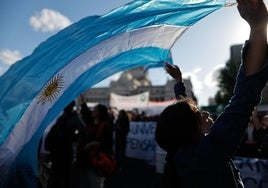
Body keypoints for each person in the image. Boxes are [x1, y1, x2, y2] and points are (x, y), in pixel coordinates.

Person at [155, 0, 268, 187]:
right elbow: (243, 100)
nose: (206, 113)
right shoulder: (206, 155)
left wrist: (179, 83)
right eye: (198, 114)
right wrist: (258, 25)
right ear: (188, 130)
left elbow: (183, 110)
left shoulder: (183, 155)